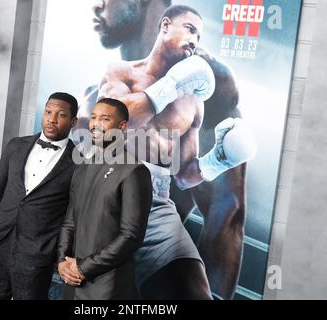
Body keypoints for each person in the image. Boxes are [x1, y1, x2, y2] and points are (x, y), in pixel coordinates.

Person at [76, 4, 256, 300]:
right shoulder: (119, 73)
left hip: (157, 208)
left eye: (198, 35)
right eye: (189, 29)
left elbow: (185, 177)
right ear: (165, 25)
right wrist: (169, 87)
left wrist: (217, 160)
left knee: (198, 292)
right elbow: (115, 123)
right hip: (108, 199)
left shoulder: (196, 102)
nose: (194, 40)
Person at [0, 92, 79, 300]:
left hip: (37, 254)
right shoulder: (15, 146)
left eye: (61, 115)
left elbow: (72, 215)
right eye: (48, 112)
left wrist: (56, 251)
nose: (52, 119)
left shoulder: (78, 164)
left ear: (73, 121)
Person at [57, 98, 153, 300]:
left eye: (104, 118)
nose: (95, 124)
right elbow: (69, 222)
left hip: (106, 288)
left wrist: (83, 267)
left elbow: (131, 236)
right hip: (72, 283)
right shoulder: (82, 167)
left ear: (122, 126)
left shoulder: (134, 170)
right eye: (93, 117)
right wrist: (62, 262)